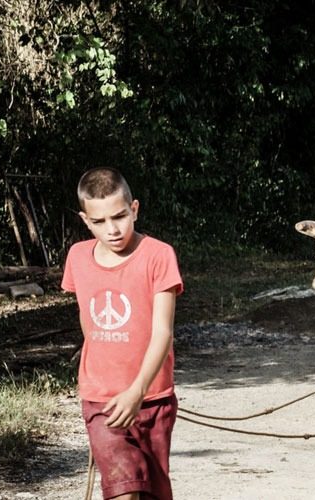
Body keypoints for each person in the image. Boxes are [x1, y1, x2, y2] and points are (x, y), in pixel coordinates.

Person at [61, 167, 182, 500]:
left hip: (153, 398)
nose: (112, 230)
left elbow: (162, 332)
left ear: (135, 209)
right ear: (86, 221)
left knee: (153, 493)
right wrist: (100, 379)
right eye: (99, 222)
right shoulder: (77, 257)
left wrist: (138, 390)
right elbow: (89, 319)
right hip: (103, 400)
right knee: (123, 489)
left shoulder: (159, 256)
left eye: (119, 217)